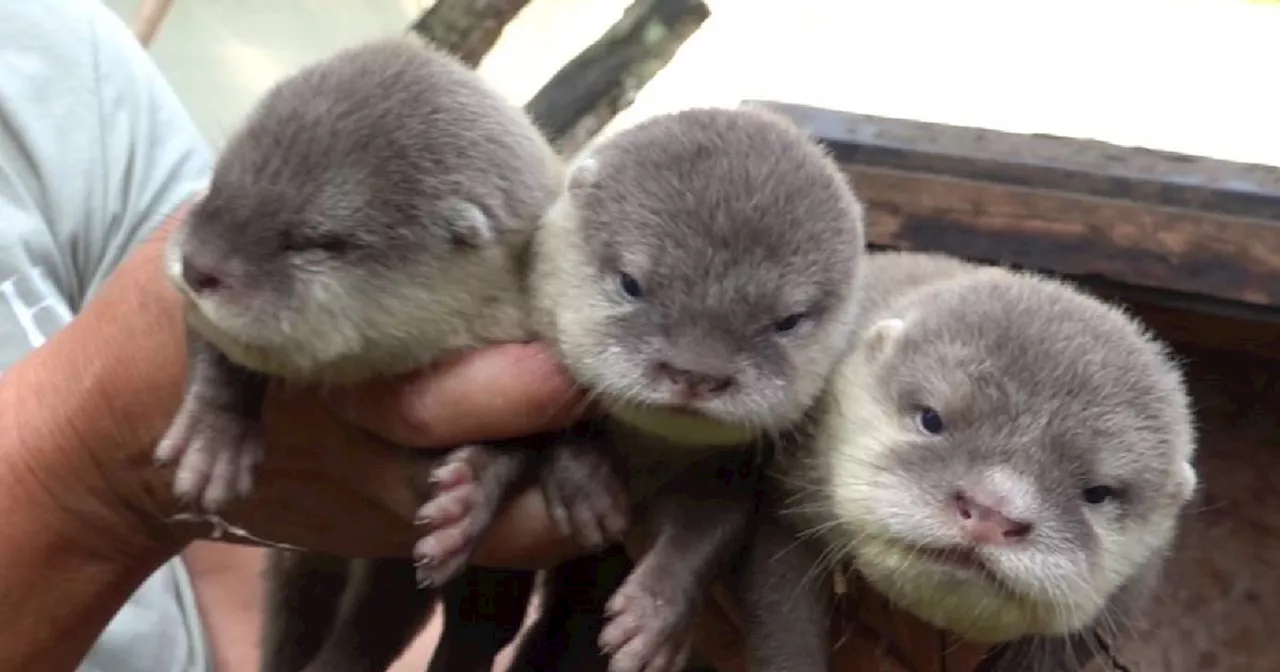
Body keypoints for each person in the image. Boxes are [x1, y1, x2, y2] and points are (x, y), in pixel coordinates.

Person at [0, 2, 988, 671]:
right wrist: (90, 475)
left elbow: (243, 484)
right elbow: (188, 330)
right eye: (635, 289)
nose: (691, 371)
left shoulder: (59, 56)